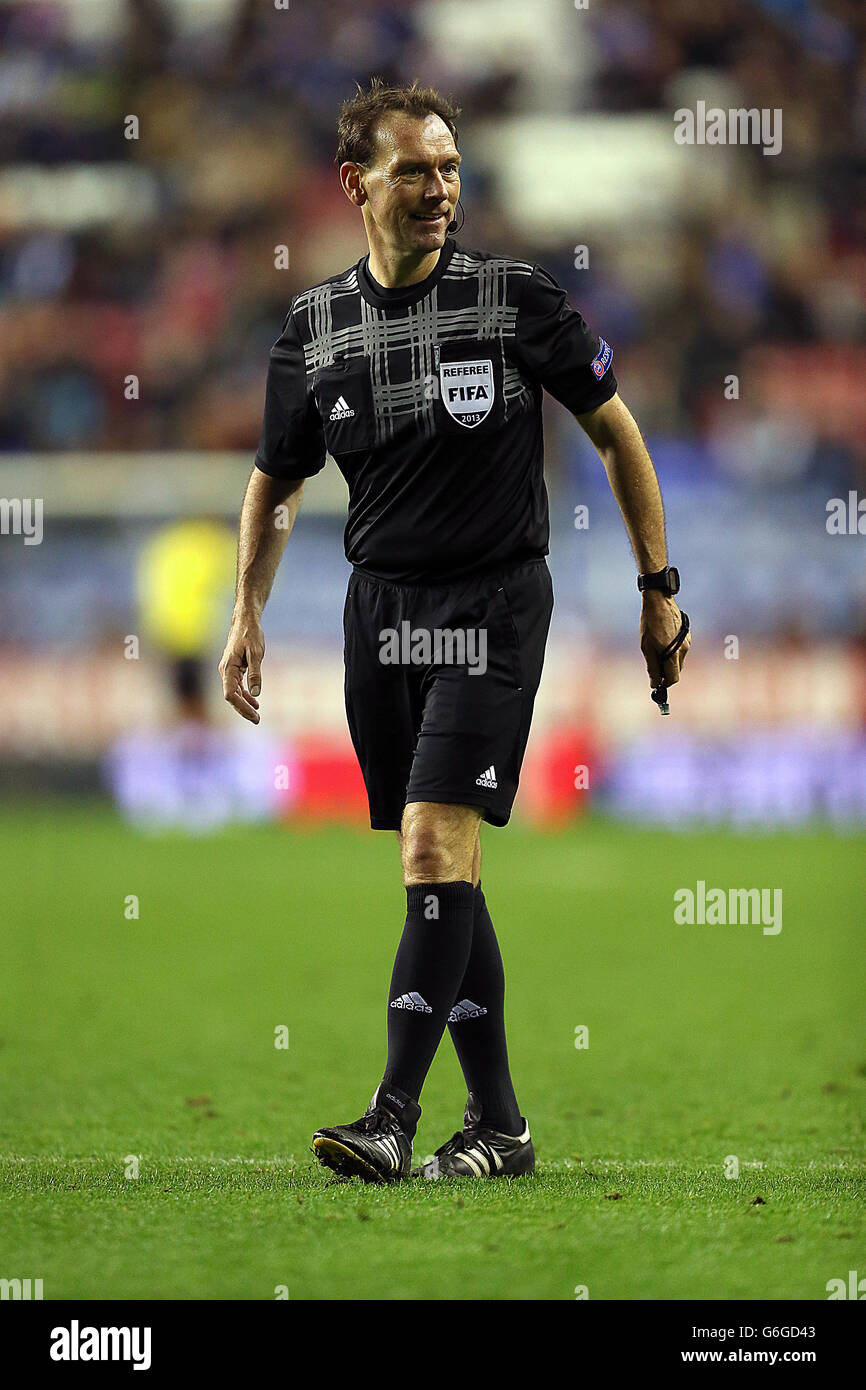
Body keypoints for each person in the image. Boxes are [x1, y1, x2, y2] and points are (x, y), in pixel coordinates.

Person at [219, 79, 689, 1183]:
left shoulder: (514, 301)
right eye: (414, 171)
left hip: (491, 604)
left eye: (449, 169)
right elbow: (275, 479)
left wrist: (656, 585)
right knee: (444, 875)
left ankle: (390, 1113)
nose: (438, 191)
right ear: (356, 185)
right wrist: (244, 608)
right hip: (378, 614)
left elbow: (617, 436)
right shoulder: (312, 328)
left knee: (435, 846)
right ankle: (502, 1127)